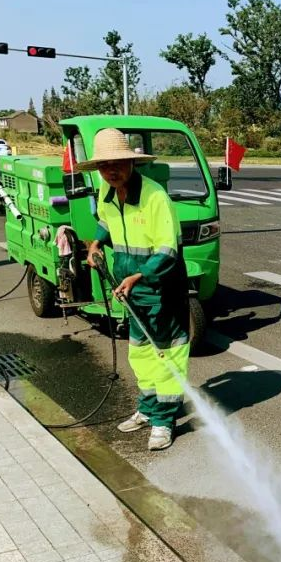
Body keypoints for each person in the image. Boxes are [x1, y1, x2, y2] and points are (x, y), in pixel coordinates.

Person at [83, 128, 189, 451]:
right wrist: (96, 243)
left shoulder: (156, 197)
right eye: (104, 166)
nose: (110, 171)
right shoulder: (107, 191)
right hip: (129, 290)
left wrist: (140, 276)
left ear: (131, 163)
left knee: (166, 354)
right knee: (140, 353)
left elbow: (167, 251)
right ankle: (147, 408)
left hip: (161, 289)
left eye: (117, 163)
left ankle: (164, 421)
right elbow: (105, 220)